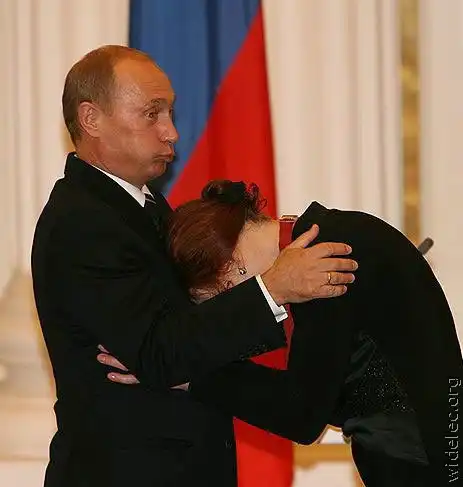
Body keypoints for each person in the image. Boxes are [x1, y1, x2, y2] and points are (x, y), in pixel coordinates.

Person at [31, 45, 357, 487]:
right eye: (152, 114)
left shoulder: (144, 210)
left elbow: (185, 345)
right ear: (91, 119)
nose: (172, 133)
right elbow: (158, 354)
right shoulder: (82, 222)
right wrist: (272, 288)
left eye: (170, 113)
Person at [102, 180, 463, 486]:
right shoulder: (330, 233)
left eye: (213, 302)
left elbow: (301, 417)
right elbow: (335, 392)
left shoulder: (317, 259)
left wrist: (191, 375)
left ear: (225, 271)